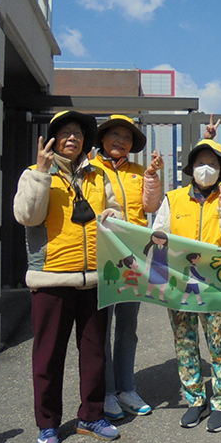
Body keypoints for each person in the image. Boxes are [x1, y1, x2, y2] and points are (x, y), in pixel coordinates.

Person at [13, 110, 122, 443]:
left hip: (95, 280)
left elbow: (115, 211)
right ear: (53, 139)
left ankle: (91, 415)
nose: (72, 137)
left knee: (94, 354)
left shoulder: (98, 175)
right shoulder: (34, 173)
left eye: (78, 132)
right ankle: (47, 423)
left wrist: (113, 216)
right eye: (65, 132)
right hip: (52, 280)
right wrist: (41, 173)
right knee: (48, 356)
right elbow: (27, 216)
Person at [152, 139, 221, 432]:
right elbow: (158, 237)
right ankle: (195, 400)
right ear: (191, 168)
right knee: (185, 344)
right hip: (180, 286)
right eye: (200, 163)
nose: (206, 168)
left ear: (220, 170)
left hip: (216, 286)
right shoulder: (173, 199)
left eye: (212, 164)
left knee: (220, 345)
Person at [93, 114, 163, 421]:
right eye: (115, 135)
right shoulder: (90, 169)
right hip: (102, 257)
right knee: (100, 329)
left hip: (133, 258)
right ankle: (106, 391)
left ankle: (126, 388)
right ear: (103, 138)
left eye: (127, 137)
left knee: (127, 327)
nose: (120, 141)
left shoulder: (139, 172)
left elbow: (150, 207)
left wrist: (152, 177)